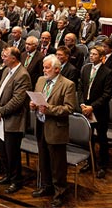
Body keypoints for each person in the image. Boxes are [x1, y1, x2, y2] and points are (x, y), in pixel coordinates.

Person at [30, 54, 76, 208]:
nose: (44, 70)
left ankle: (59, 193)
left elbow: (69, 108)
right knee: (43, 159)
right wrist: (33, 105)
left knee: (57, 165)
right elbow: (37, 99)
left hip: (56, 128)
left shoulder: (68, 84)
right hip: (40, 125)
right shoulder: (40, 80)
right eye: (44, 67)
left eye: (47, 68)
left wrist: (49, 109)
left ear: (57, 69)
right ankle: (46, 186)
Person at [0, 46, 30, 194]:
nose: (2, 57)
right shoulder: (6, 70)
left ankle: (16, 180)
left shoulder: (23, 75)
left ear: (14, 58)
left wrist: (0, 111)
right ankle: (7, 175)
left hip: (13, 120)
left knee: (12, 153)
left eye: (5, 55)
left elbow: (18, 100)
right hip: (1, 118)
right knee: (3, 151)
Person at [77, 46, 112, 179]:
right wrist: (82, 104)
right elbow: (80, 87)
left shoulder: (108, 72)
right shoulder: (86, 68)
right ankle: (90, 161)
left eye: (94, 54)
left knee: (102, 138)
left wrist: (92, 107)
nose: (91, 56)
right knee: (88, 137)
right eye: (91, 54)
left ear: (101, 57)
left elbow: (107, 94)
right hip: (85, 107)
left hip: (100, 110)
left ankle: (103, 165)